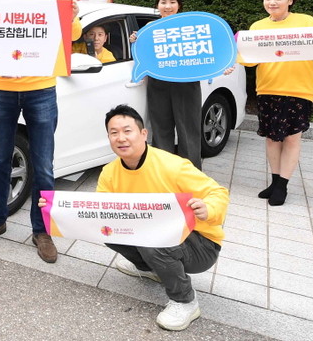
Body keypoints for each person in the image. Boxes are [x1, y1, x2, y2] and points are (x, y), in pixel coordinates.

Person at [48, 104, 229, 331]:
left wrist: (208, 208)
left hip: (201, 244)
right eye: (114, 133)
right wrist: (56, 208)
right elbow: (100, 214)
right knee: (107, 230)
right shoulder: (110, 172)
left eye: (127, 131)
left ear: (143, 134)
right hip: (155, 234)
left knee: (152, 239)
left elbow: (218, 192)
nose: (121, 138)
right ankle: (152, 269)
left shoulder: (172, 166)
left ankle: (185, 301)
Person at [0, 0, 81, 262]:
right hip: (1, 88)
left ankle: (42, 230)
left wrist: (72, 16)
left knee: (44, 164)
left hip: (40, 88)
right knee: (0, 159)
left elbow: (73, 35)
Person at [240, 0, 313, 206]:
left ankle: (282, 185)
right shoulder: (257, 27)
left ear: (290, 0)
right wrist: (234, 53)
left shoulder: (307, 22)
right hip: (267, 88)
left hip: (299, 89)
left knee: (292, 138)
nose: (272, 2)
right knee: (272, 137)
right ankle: (274, 181)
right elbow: (249, 61)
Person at [129, 0, 203, 169]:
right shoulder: (149, 29)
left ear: (179, 5)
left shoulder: (190, 27)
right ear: (157, 5)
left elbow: (205, 53)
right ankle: (163, 172)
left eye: (172, 2)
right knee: (161, 130)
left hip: (186, 84)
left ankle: (190, 174)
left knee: (189, 131)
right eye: (163, 2)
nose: (168, 6)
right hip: (158, 84)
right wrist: (136, 41)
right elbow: (143, 56)